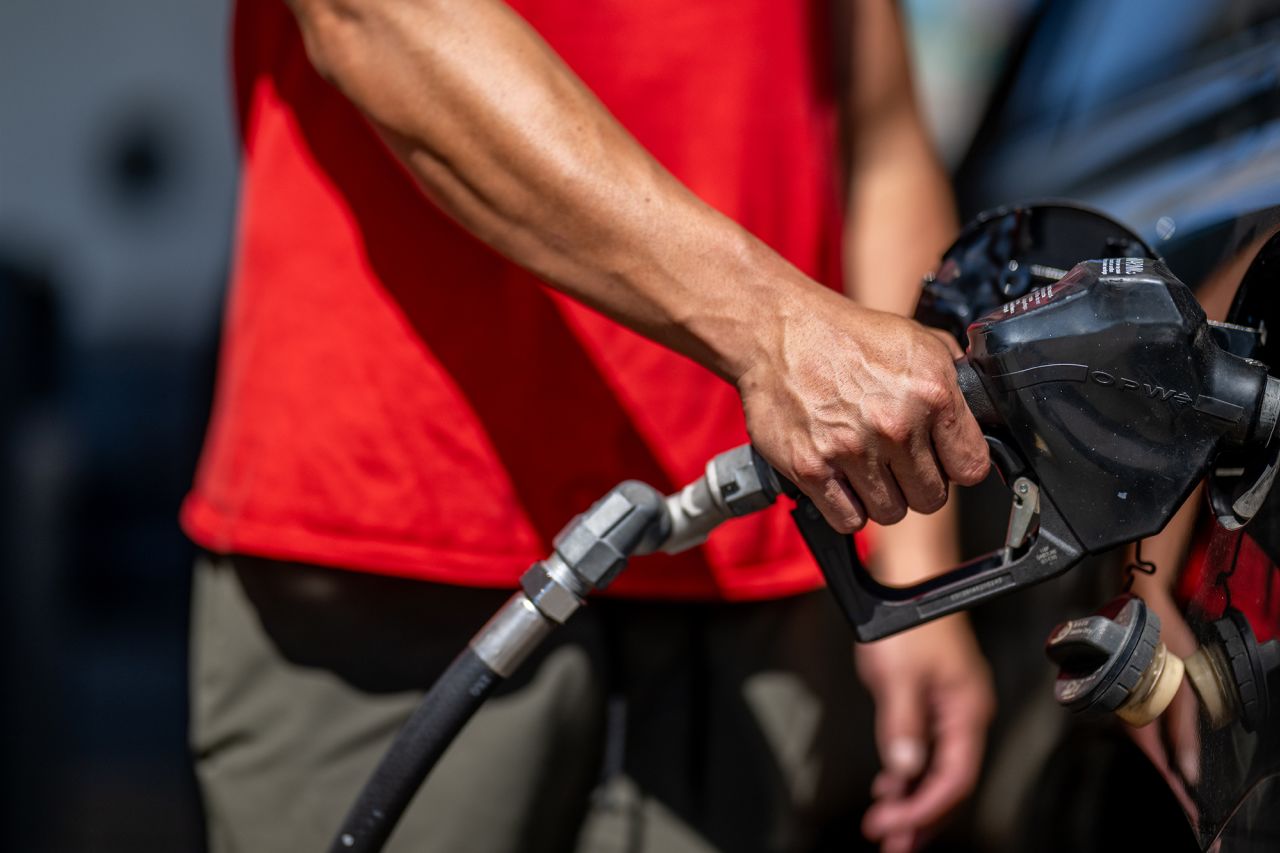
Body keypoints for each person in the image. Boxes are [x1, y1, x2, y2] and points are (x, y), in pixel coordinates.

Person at [183, 1, 994, 851]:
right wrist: (774, 328)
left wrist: (915, 574)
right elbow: (380, 20)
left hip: (761, 569)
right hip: (398, 550)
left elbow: (880, 141)